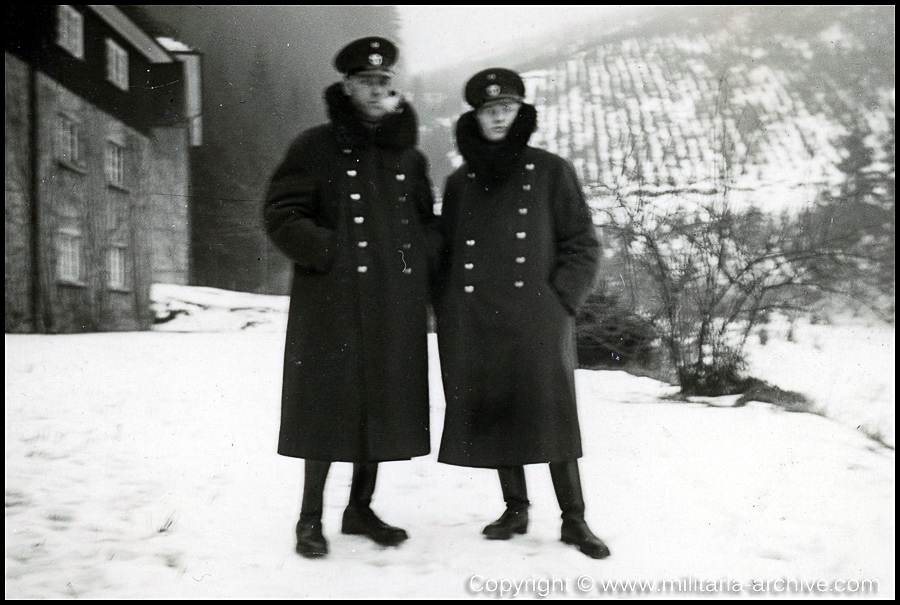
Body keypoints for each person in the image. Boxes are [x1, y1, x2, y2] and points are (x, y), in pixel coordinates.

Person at [263, 37, 439, 558]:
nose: (375, 88)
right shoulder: (313, 145)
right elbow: (281, 213)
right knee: (325, 407)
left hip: (392, 303)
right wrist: (330, 252)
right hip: (330, 301)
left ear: (393, 89)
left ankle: (360, 510)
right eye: (365, 80)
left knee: (381, 406)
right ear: (347, 86)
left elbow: (425, 225)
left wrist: (412, 271)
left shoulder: (409, 156)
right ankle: (309, 518)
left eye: (384, 82)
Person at [434, 68, 610, 559]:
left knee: (551, 416)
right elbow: (444, 249)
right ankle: (515, 507)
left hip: (537, 316)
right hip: (474, 315)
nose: (497, 118)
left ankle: (574, 519)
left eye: (505, 109)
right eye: (489, 111)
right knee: (495, 409)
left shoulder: (551, 171)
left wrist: (561, 302)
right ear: (475, 116)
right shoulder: (458, 182)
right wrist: (445, 303)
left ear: (519, 114)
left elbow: (583, 245)